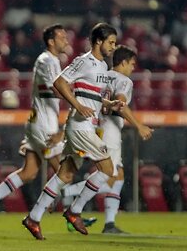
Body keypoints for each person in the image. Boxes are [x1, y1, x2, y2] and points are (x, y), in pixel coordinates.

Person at [20, 22, 124, 239]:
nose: (114, 47)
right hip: (79, 127)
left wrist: (109, 104)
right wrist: (77, 105)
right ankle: (75, 211)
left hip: (86, 126)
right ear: (98, 41)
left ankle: (34, 217)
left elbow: (92, 96)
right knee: (107, 169)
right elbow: (59, 83)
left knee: (66, 174)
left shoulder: (104, 67)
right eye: (111, 42)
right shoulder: (83, 61)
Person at [0, 24, 70, 228]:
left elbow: (54, 89)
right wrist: (80, 100)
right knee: (64, 170)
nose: (66, 40)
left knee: (29, 172)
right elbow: (59, 87)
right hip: (45, 125)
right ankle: (66, 213)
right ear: (51, 41)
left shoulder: (51, 61)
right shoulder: (48, 60)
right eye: (62, 37)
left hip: (42, 121)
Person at [62, 45, 153, 233]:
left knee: (117, 176)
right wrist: (139, 125)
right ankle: (67, 195)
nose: (133, 68)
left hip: (95, 126)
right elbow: (120, 104)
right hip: (111, 129)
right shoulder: (124, 80)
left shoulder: (103, 75)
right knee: (109, 175)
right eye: (132, 64)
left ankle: (109, 223)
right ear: (123, 62)